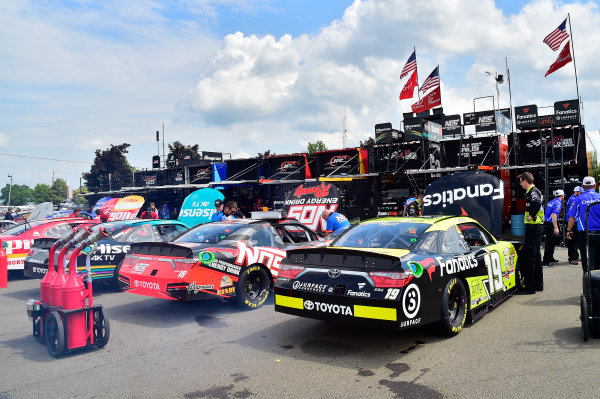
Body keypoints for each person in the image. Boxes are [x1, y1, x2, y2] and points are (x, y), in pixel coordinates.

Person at [517, 172, 544, 294]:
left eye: (521, 181)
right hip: (536, 226)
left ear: (525, 181)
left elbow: (537, 202)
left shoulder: (533, 191)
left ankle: (530, 288)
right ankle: (538, 285)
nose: (520, 184)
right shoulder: (534, 190)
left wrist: (532, 216)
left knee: (530, 256)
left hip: (534, 226)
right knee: (536, 256)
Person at [566, 176, 600, 273]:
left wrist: (569, 231)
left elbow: (572, 218)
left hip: (586, 234)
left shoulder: (578, 199)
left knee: (587, 262)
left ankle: (589, 283)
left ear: (583, 186)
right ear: (595, 185)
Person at [542, 189, 564, 267]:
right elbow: (554, 215)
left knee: (551, 242)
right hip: (551, 224)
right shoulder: (558, 203)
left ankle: (550, 258)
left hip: (546, 222)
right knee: (549, 243)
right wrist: (556, 227)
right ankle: (546, 261)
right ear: (562, 196)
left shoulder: (551, 202)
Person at [566, 186, 583, 264]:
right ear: (576, 192)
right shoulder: (573, 199)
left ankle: (575, 256)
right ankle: (572, 258)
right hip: (572, 222)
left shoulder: (574, 198)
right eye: (580, 192)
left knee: (575, 240)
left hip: (573, 221)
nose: (581, 194)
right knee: (573, 241)